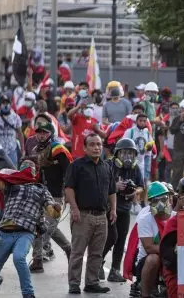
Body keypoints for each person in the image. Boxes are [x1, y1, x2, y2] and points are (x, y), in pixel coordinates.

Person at [0, 147, 60, 298]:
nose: (27, 170)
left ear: (36, 173)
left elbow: (52, 211)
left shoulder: (41, 190)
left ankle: (28, 295)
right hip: (5, 233)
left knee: (19, 258)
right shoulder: (10, 185)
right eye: (24, 167)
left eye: (30, 168)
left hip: (25, 233)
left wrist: (56, 209)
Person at [64, 134, 116, 294]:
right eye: (92, 145)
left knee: (96, 253)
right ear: (85, 148)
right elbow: (69, 188)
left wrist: (113, 209)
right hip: (82, 216)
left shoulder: (106, 167)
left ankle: (92, 283)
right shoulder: (77, 166)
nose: (96, 148)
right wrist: (74, 208)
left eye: (99, 145)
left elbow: (112, 191)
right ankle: (74, 284)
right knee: (77, 252)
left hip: (102, 217)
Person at [27, 120, 73, 273]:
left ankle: (38, 259)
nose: (41, 135)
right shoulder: (36, 149)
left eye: (44, 133)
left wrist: (69, 193)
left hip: (56, 196)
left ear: (50, 134)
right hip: (41, 193)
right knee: (44, 227)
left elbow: (69, 171)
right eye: (39, 132)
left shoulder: (58, 149)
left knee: (45, 228)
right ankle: (68, 251)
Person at [100, 138, 144, 282]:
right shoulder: (107, 165)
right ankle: (97, 263)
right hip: (108, 208)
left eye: (131, 153)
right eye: (124, 153)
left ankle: (115, 271)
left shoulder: (135, 168)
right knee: (112, 236)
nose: (128, 157)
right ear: (117, 153)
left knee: (121, 239)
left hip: (125, 208)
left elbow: (141, 187)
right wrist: (114, 186)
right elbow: (98, 183)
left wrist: (134, 193)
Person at [134, 182, 176, 298]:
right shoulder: (145, 220)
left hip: (171, 258)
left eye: (164, 199)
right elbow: (149, 247)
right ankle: (145, 294)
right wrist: (172, 251)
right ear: (150, 203)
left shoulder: (177, 218)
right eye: (156, 201)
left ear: (170, 199)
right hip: (149, 262)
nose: (160, 204)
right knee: (153, 258)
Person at [0, 95, 24, 167]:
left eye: (7, 102)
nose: (5, 105)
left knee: (12, 173)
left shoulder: (16, 117)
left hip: (12, 150)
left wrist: (22, 150)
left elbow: (20, 134)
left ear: (10, 104)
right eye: (3, 103)